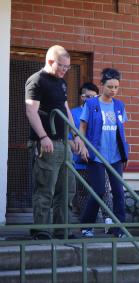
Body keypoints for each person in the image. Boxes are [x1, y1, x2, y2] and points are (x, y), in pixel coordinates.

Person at [25, 45, 84, 240]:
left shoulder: (61, 83)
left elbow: (66, 110)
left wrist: (75, 136)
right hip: (46, 144)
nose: (65, 70)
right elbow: (31, 111)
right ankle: (41, 230)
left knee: (67, 189)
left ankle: (63, 230)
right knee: (45, 189)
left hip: (64, 142)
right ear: (50, 61)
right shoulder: (37, 80)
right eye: (62, 66)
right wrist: (43, 137)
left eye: (68, 67)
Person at [79, 68, 129, 238]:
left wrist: (125, 152)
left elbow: (120, 130)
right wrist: (84, 146)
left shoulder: (120, 105)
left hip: (115, 156)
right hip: (96, 155)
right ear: (102, 85)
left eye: (116, 87)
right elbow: (83, 127)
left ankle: (118, 228)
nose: (113, 90)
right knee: (99, 191)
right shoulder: (91, 104)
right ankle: (86, 226)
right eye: (110, 87)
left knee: (119, 192)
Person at [70, 82, 113, 227]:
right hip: (79, 162)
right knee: (83, 195)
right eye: (86, 96)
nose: (89, 99)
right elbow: (69, 138)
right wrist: (80, 149)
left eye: (93, 96)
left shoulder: (102, 113)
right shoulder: (73, 113)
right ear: (81, 97)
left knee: (104, 192)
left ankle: (109, 222)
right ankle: (87, 226)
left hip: (99, 161)